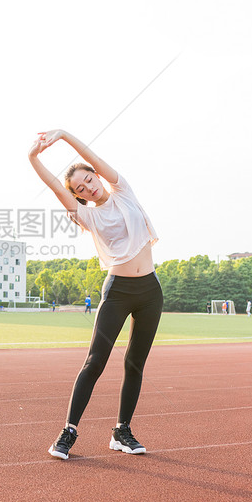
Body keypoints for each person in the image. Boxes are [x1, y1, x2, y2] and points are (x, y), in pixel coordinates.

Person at [29, 129, 162, 460]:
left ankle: (122, 431)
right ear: (79, 195)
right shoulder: (86, 215)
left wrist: (62, 135)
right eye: (80, 188)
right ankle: (68, 432)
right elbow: (54, 186)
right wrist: (33, 157)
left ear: (96, 175)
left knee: (135, 363)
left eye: (89, 178)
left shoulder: (123, 191)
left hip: (150, 290)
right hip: (118, 291)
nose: (88, 186)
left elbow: (92, 155)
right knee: (95, 362)